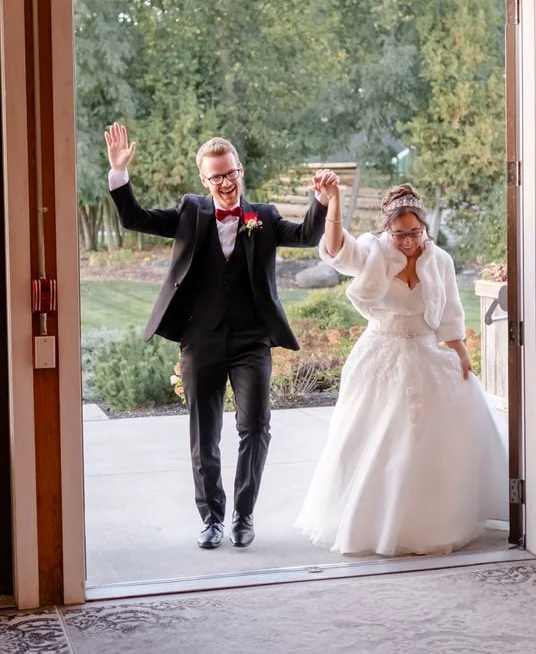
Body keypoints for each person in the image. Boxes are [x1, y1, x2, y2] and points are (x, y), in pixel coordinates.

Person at [104, 123, 328, 549]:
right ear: (203, 180)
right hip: (201, 341)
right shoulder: (191, 212)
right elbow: (136, 218)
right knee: (203, 432)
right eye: (216, 177)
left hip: (252, 341)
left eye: (231, 174)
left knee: (255, 427)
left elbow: (307, 236)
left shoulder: (263, 217)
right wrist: (119, 173)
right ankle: (211, 518)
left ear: (240, 171)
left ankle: (244, 516)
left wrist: (319, 199)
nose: (226, 183)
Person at [294, 180, 504, 556]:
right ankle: (370, 522)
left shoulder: (439, 260)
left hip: (424, 350)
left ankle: (429, 520)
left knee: (426, 438)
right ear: (386, 230)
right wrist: (336, 201)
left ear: (424, 227)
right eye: (399, 234)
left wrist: (459, 349)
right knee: (374, 437)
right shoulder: (373, 251)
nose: (408, 242)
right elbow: (336, 250)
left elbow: (451, 309)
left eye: (415, 233)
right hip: (381, 352)